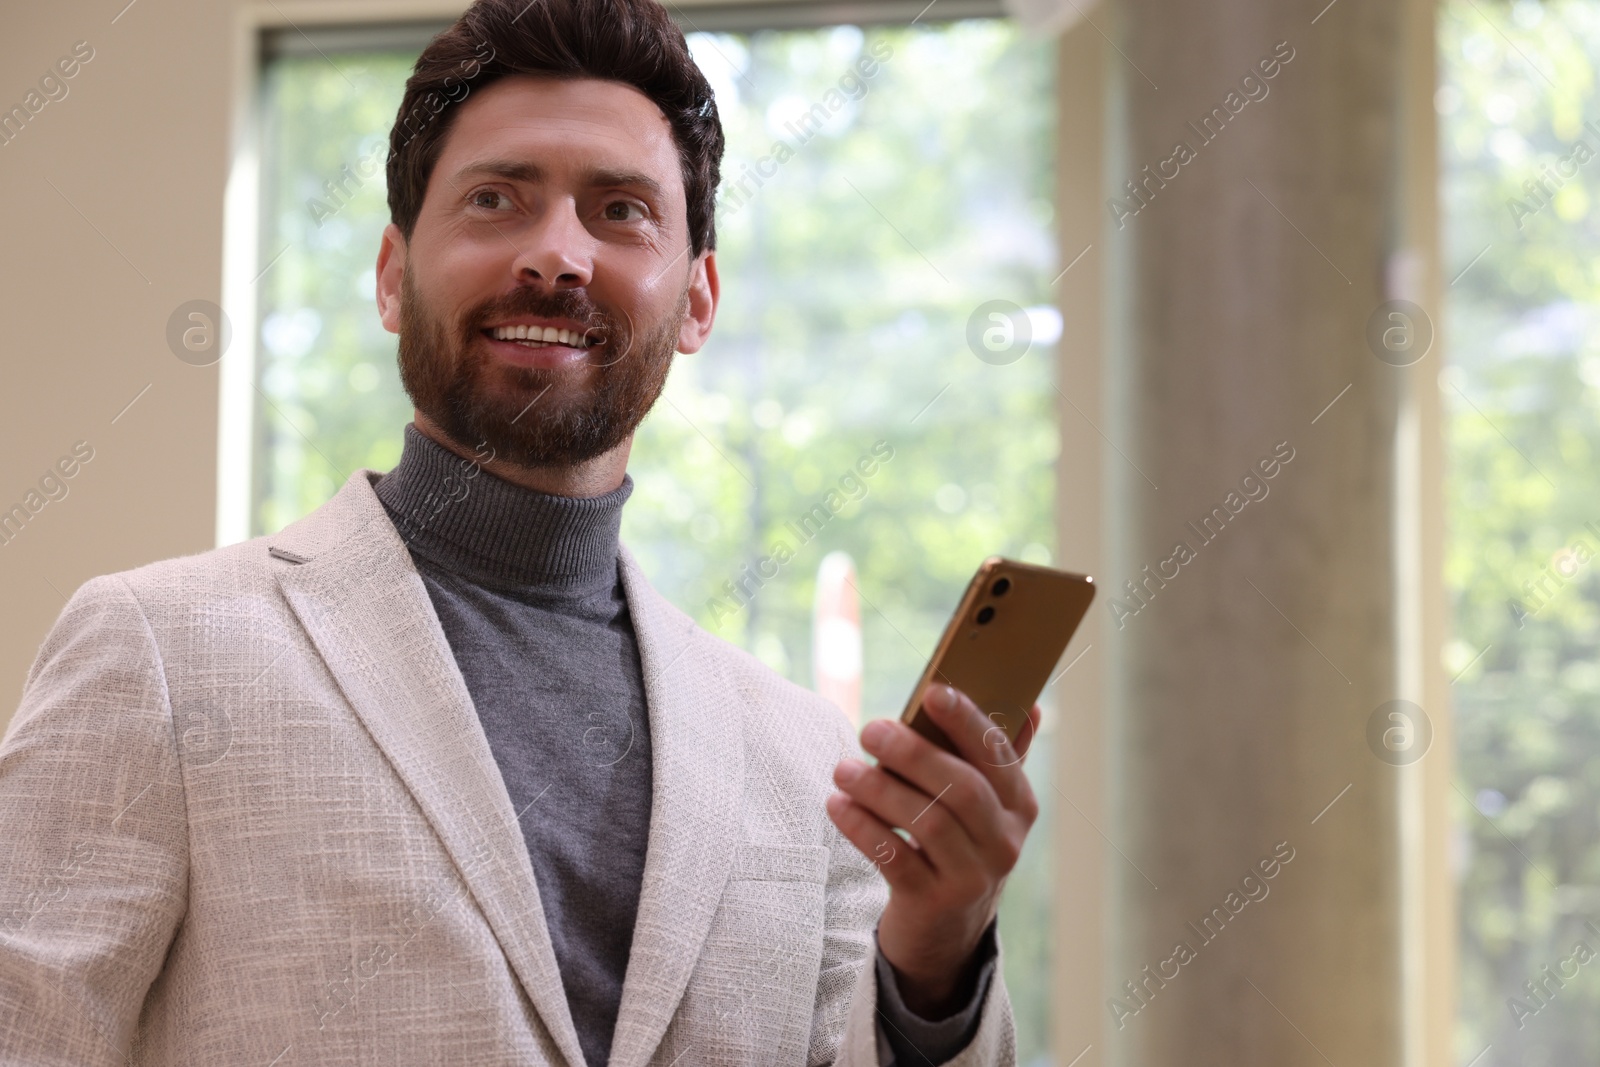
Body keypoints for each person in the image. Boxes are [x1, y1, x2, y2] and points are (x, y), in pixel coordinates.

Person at [0, 0, 1040, 1062]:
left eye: (621, 210)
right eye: (497, 198)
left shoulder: (797, 753)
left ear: (697, 298)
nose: (556, 256)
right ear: (393, 275)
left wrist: (936, 959)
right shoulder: (160, 653)